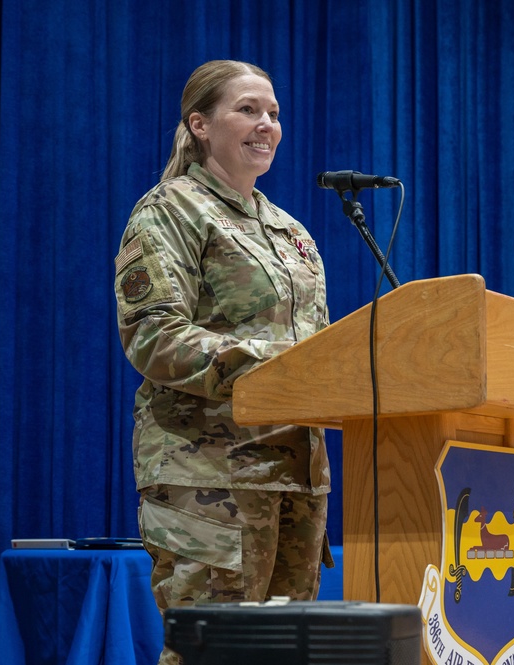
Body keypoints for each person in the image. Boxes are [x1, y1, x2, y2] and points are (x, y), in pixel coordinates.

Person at [112, 60, 331, 665]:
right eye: (249, 110)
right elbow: (153, 338)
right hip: (209, 476)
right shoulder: (170, 211)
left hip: (296, 477)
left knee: (288, 656)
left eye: (275, 113)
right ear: (200, 124)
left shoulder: (291, 231)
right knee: (213, 657)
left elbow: (325, 351)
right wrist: (280, 364)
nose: (267, 124)